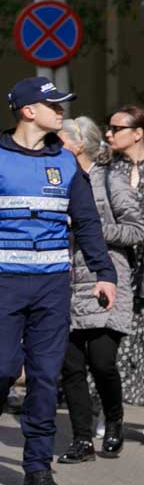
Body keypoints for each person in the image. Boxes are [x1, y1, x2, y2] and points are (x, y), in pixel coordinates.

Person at [0, 79, 118, 485]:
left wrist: (104, 272)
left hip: (52, 285)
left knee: (45, 377)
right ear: (28, 110)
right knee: (2, 369)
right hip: (3, 282)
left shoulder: (66, 162)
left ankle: (37, 467)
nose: (61, 111)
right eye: (53, 105)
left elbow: (87, 223)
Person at [56, 116, 141, 462]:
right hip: (63, 282)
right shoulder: (53, 181)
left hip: (106, 280)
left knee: (102, 361)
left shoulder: (112, 180)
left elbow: (137, 230)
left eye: (58, 142)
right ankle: (82, 441)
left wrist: (91, 227)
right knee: (72, 366)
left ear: (77, 146)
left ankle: (115, 419)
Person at [107, 105, 144, 426]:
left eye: (116, 128)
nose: (109, 133)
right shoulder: (107, 168)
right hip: (116, 263)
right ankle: (108, 412)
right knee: (112, 341)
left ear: (137, 133)